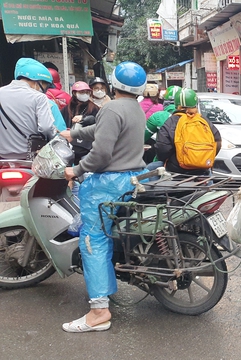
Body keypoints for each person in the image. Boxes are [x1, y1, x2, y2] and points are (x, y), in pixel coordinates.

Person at [60, 61, 148, 333]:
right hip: (130, 179)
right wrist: (73, 134)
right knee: (102, 238)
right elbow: (99, 129)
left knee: (92, 240)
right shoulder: (135, 109)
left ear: (112, 83)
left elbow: (100, 154)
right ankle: (105, 291)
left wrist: (75, 169)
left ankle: (99, 311)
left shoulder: (111, 108)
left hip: (107, 183)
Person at [0, 58, 58, 160]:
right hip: (31, 159)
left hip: (2, 159)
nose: (44, 90)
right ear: (37, 81)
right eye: (45, 85)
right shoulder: (39, 97)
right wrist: (54, 134)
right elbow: (46, 127)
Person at [155, 88, 221, 175]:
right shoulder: (204, 121)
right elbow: (217, 142)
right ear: (195, 104)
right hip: (202, 170)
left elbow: (162, 148)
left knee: (151, 168)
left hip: (175, 171)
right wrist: (202, 159)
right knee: (210, 180)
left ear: (176, 105)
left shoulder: (170, 122)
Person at [61, 81, 100, 165]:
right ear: (74, 93)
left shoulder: (94, 108)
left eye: (87, 92)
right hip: (68, 147)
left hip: (87, 148)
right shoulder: (66, 109)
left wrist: (85, 119)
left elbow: (99, 122)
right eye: (82, 92)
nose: (85, 94)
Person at [143, 86, 181, 164]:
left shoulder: (158, 116)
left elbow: (142, 137)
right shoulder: (197, 118)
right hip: (195, 162)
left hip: (165, 163)